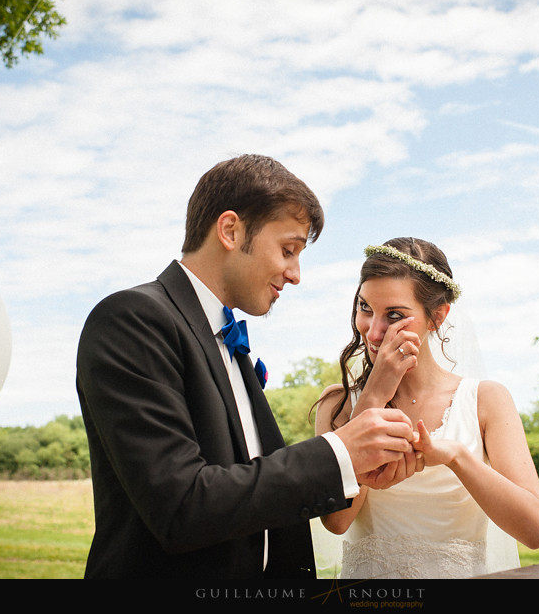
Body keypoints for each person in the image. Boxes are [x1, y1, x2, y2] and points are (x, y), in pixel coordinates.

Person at [76, 155, 420, 580]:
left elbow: (252, 485)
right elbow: (183, 506)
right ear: (231, 230)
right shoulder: (132, 320)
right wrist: (340, 452)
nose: (295, 274)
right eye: (288, 250)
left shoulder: (228, 340)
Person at [314, 237, 539, 579]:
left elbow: (535, 531)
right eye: (365, 308)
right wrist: (372, 399)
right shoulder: (336, 404)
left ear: (436, 317)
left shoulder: (486, 400)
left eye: (394, 315)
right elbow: (336, 521)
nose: (374, 331)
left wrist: (457, 457)